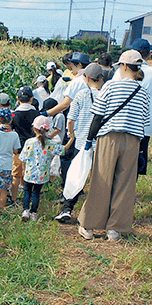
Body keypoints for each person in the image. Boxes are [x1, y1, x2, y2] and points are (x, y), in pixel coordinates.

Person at [77, 50, 150, 242]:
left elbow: (98, 116)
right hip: (133, 141)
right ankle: (115, 230)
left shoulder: (110, 87)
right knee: (124, 185)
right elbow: (144, 122)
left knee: (101, 181)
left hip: (109, 138)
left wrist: (89, 140)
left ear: (124, 66)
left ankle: (89, 226)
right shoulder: (143, 93)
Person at [55, 63, 105, 223]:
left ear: (86, 78)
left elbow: (71, 119)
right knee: (99, 179)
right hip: (101, 143)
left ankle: (67, 209)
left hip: (82, 142)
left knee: (77, 176)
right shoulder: (107, 94)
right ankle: (97, 213)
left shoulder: (82, 95)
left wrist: (71, 134)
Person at [113, 39, 152, 176]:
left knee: (117, 163)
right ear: (149, 54)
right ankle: (129, 193)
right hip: (143, 127)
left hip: (119, 124)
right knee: (136, 164)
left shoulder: (120, 71)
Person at [19, 115, 63, 222]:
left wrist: (23, 170)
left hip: (29, 172)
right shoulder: (51, 143)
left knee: (27, 191)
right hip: (42, 175)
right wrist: (71, 139)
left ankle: (25, 210)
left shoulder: (29, 142)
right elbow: (62, 151)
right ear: (48, 130)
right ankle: (34, 213)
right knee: (36, 193)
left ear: (34, 129)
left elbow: (23, 158)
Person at [10, 87, 39, 203]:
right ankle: (30, 197)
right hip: (33, 148)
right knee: (31, 173)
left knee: (16, 175)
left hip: (18, 148)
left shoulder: (13, 115)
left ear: (18, 99)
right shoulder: (37, 113)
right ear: (31, 99)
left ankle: (14, 198)